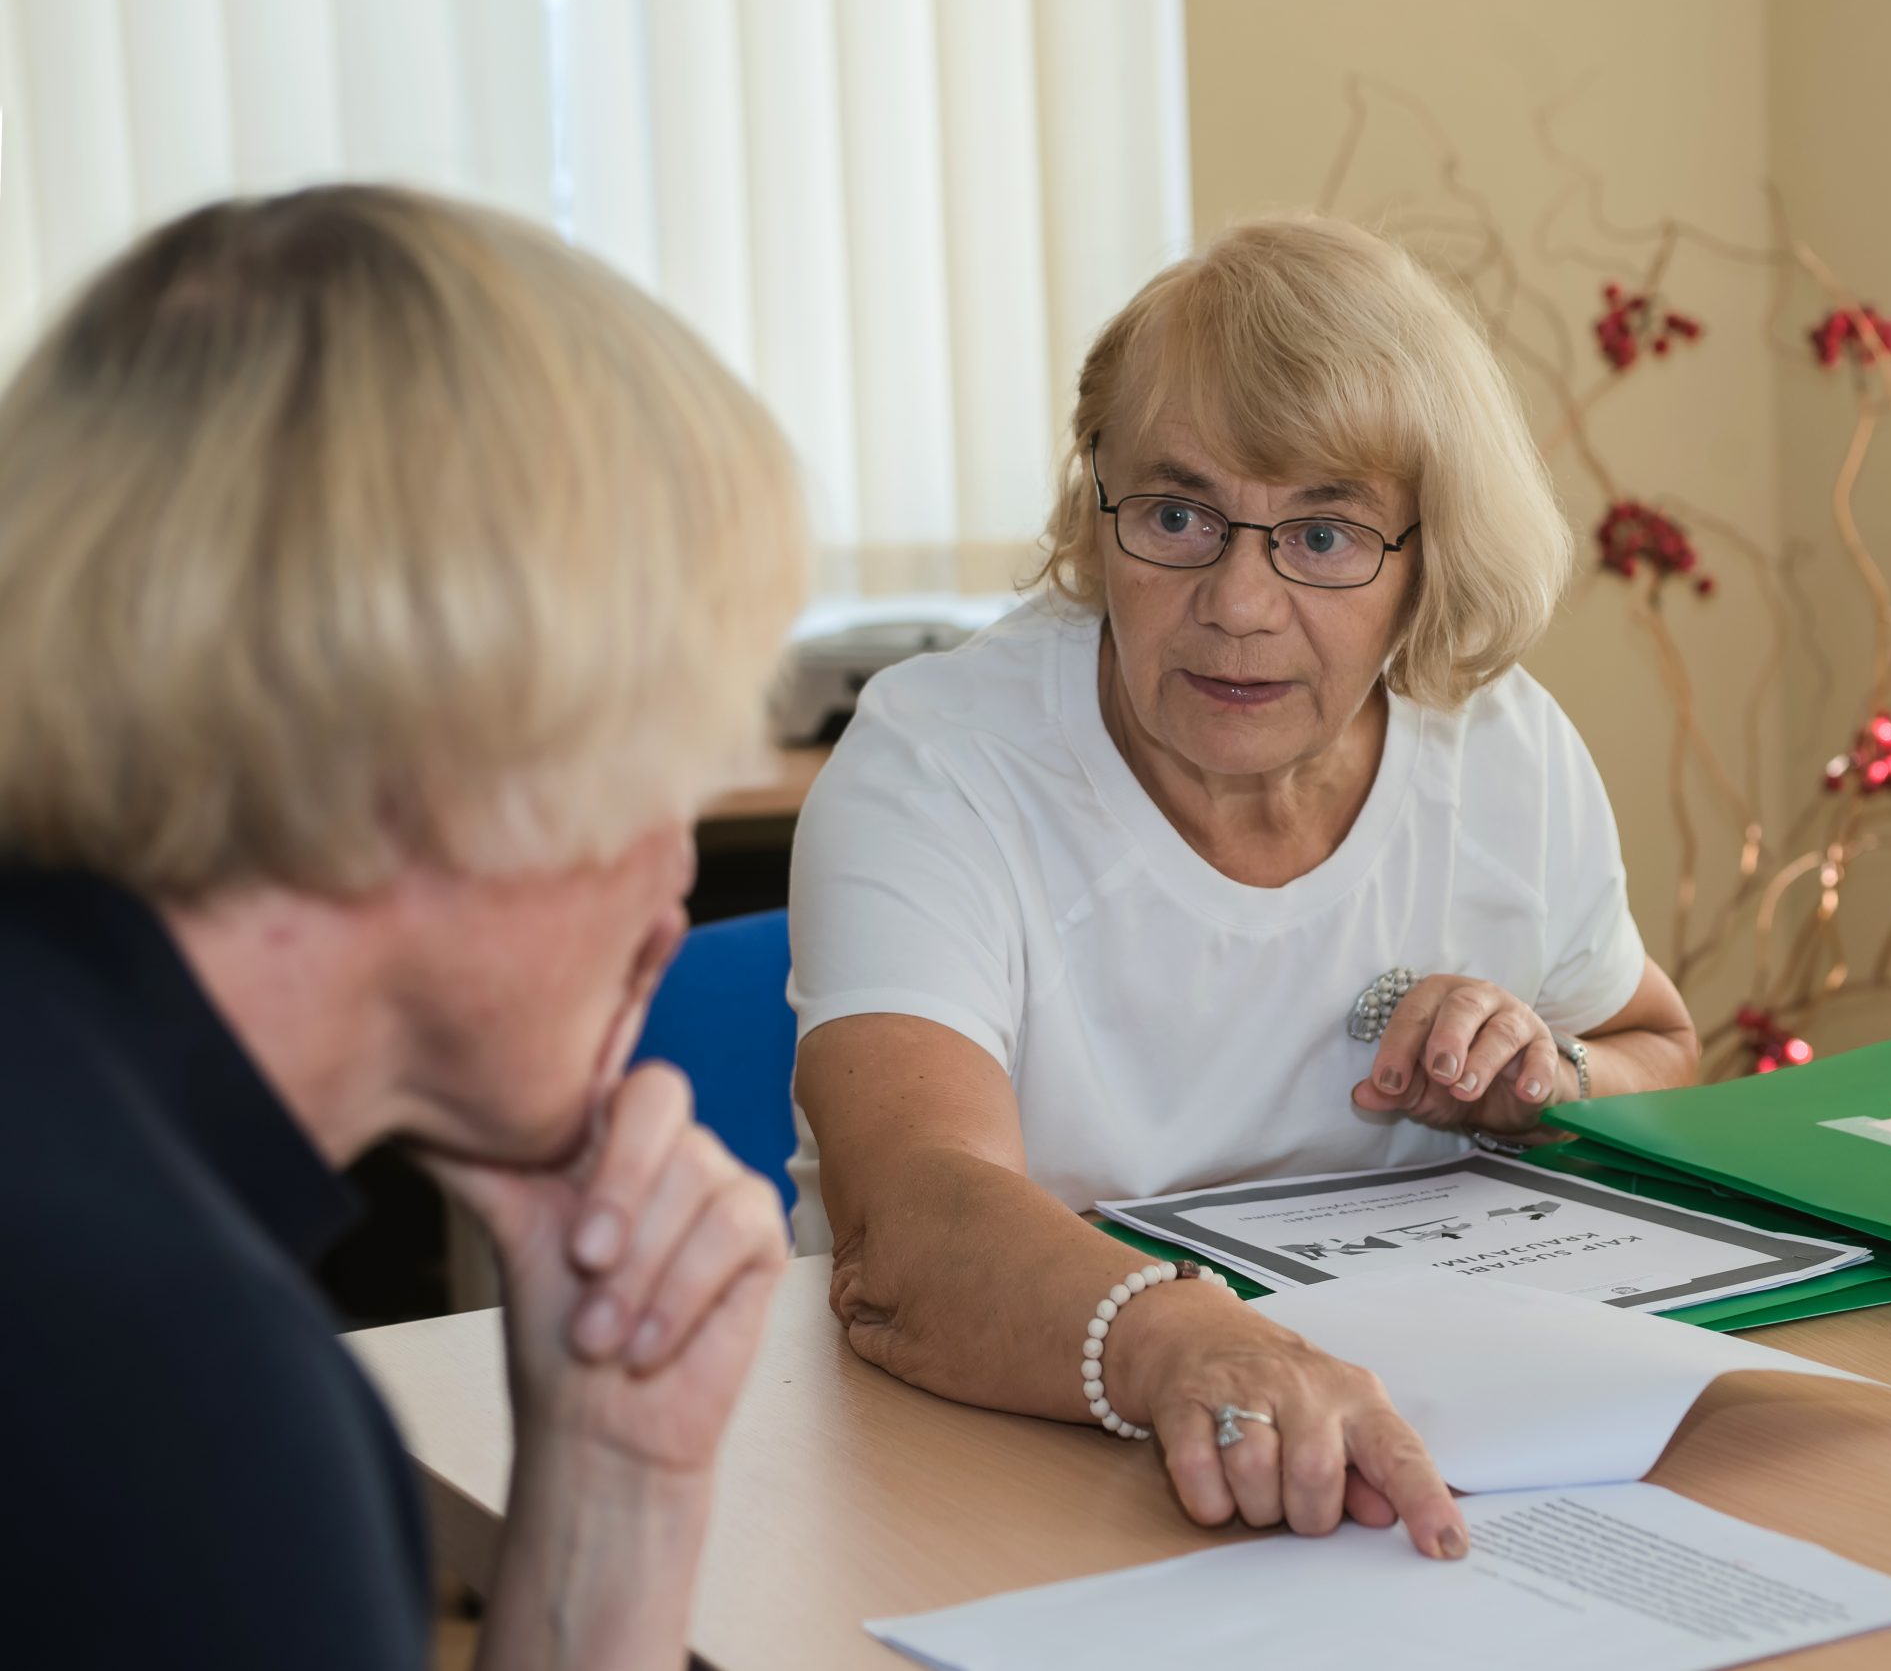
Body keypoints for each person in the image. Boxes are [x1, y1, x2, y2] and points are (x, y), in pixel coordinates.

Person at [789, 214, 1701, 1558]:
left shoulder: (1500, 746)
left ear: (1425, 557)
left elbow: (1660, 1051)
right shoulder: (938, 763)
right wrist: (1191, 1346)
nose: (1239, 603)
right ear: (1097, 508)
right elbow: (906, 1215)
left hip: (1415, 1456)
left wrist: (1546, 1080)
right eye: (1177, 517)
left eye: (1324, 535)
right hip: (971, 1467)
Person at [0, 187, 808, 1668]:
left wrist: (615, 1479)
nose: (674, 885)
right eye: (669, 762)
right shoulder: (180, 1400)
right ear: (455, 756)